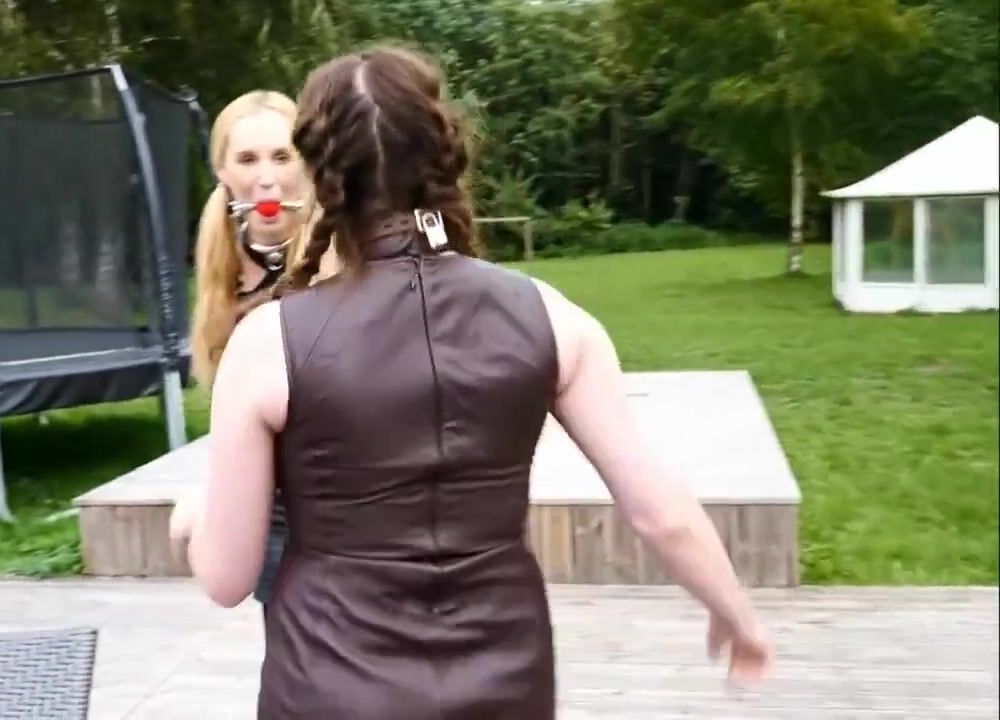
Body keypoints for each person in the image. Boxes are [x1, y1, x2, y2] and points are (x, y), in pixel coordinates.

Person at [171, 46, 773, 718]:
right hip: (506, 684)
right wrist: (736, 613)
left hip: (330, 687)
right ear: (443, 152)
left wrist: (192, 519)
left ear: (318, 172)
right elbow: (661, 513)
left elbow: (227, 579)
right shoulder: (554, 317)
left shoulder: (267, 343)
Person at [186, 89, 332, 611]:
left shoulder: (342, 255)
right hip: (272, 518)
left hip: (347, 512)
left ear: (309, 166)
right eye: (247, 160)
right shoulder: (222, 273)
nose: (267, 179)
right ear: (223, 172)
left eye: (282, 156)